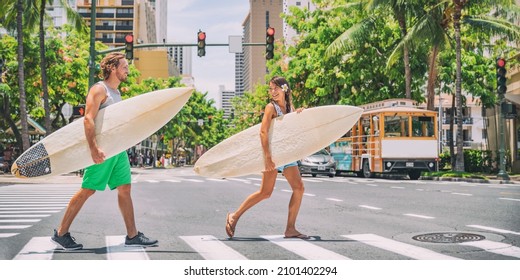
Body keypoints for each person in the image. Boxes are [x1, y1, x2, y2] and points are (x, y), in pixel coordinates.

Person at [51, 52, 158, 250]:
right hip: (103, 150)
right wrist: (93, 149)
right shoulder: (99, 90)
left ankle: (132, 235)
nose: (127, 70)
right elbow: (88, 119)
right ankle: (61, 233)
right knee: (88, 189)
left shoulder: (116, 93)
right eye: (124, 67)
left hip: (118, 150)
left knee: (125, 188)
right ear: (112, 68)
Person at [225, 76, 309, 239]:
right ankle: (234, 216)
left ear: (284, 89)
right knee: (265, 192)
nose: (272, 92)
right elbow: (263, 132)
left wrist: (300, 113)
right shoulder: (271, 108)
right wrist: (268, 158)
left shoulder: (290, 107)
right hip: (273, 154)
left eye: (275, 88)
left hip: (287, 154)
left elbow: (294, 128)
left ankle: (290, 228)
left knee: (299, 188)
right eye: (270, 89)